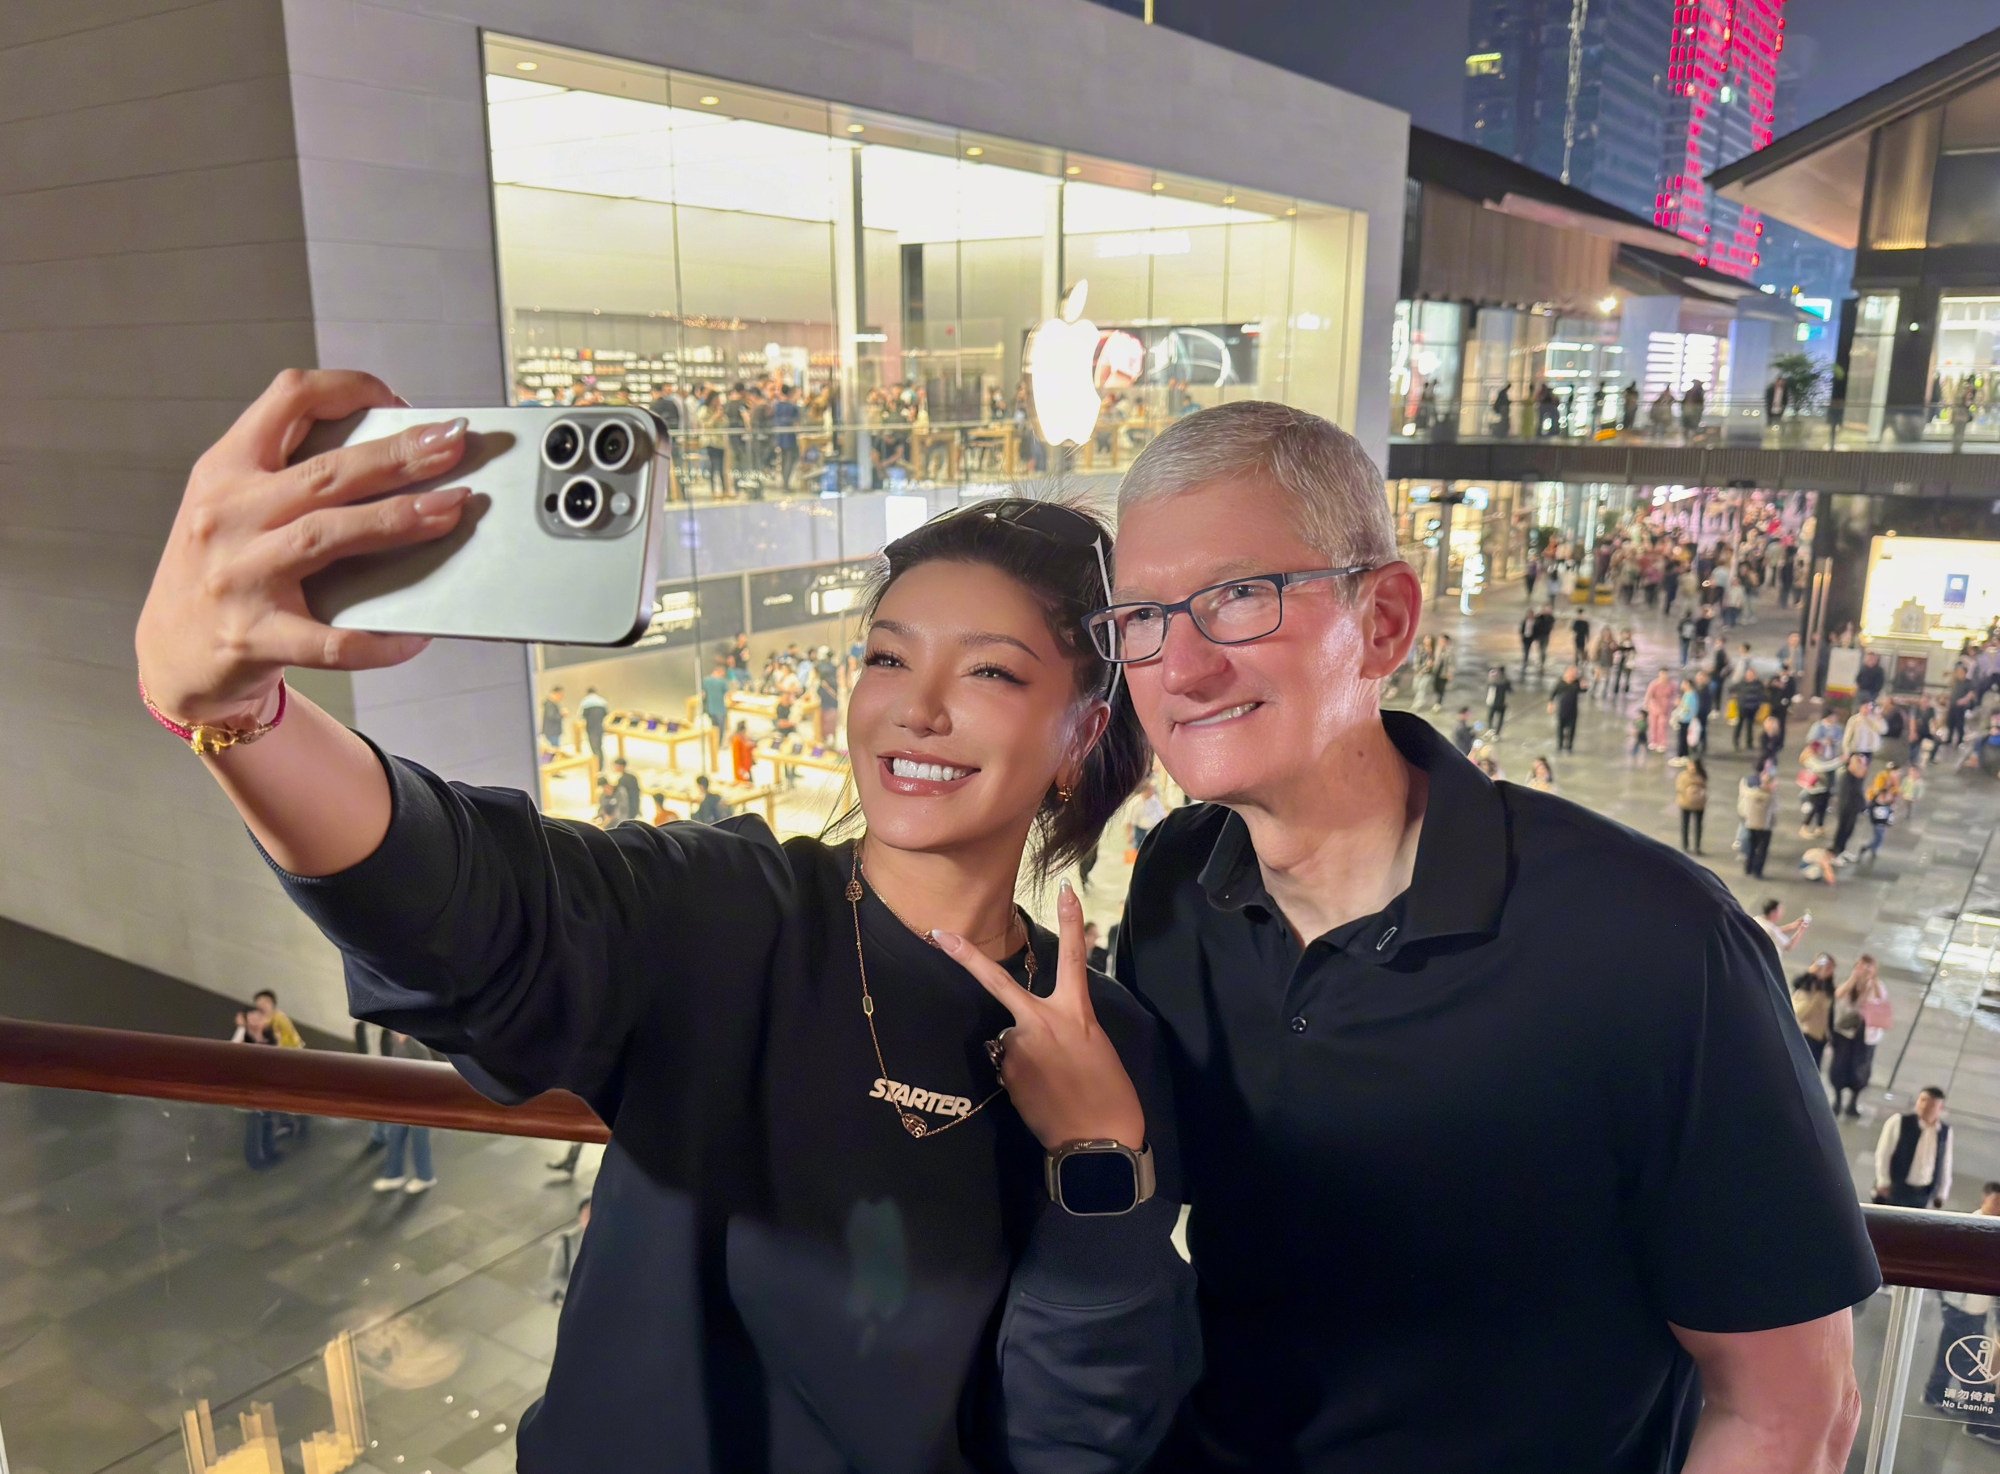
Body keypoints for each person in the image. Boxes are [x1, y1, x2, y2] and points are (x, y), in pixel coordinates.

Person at [139, 379, 1198, 1472]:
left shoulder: (1109, 1044)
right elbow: (482, 909)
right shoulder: (729, 915)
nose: (915, 709)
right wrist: (238, 715)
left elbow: (1073, 1437)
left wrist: (1096, 1158)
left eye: (989, 672)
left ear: (1083, 734)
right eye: (887, 657)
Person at [1084, 401, 1876, 1472]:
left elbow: (1789, 1409)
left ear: (1384, 620)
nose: (1179, 667)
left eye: (1239, 596)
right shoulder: (1178, 887)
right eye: (1141, 616)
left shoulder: (1651, 946)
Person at [1922, 1182, 2000, 1425]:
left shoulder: (1993, 1228)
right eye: (1996, 1201)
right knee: (1970, 1359)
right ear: (1985, 1199)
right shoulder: (1973, 1228)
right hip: (1962, 1307)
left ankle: (1934, 1392)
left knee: (1949, 1348)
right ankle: (1979, 1416)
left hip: (1972, 1307)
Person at [374, 1029, 440, 1193]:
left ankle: (425, 1177)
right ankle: (394, 1175)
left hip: (420, 1100)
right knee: (395, 1135)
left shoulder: (417, 1044)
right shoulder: (393, 1039)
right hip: (403, 1097)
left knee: (419, 1140)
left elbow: (430, 1072)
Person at [1829, 955, 1890, 1117]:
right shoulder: (1850, 983)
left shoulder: (1877, 985)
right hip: (1846, 1032)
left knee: (1861, 1067)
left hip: (1867, 1035)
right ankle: (1837, 1100)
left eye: (1868, 967)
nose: (1864, 970)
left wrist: (1873, 980)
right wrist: (1854, 978)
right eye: (1861, 966)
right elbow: (1838, 995)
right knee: (1839, 1065)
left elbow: (1881, 999)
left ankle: (1853, 1102)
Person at [1874, 1087, 1953, 1209]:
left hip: (1923, 1192)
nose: (1924, 1106)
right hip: (1897, 1187)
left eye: (1931, 1105)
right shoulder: (1899, 1122)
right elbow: (1883, 1153)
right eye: (1922, 1100)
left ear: (1940, 1108)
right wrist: (1883, 1181)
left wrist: (1942, 1192)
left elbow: (1946, 1162)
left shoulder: (1944, 1131)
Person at [229, 1001, 284, 1170]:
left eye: (258, 1016)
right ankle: (255, 1160)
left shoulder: (270, 1035)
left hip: (268, 1086)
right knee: (255, 1125)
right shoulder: (242, 1035)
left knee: (268, 1121)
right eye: (251, 1016)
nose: (255, 1019)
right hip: (251, 1088)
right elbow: (232, 1053)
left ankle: (270, 1151)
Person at [1790, 953, 1838, 1071]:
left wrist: (1831, 1036)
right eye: (1823, 964)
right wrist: (1812, 971)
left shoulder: (1828, 989)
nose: (1825, 969)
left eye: (1829, 967)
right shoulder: (1805, 983)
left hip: (1819, 1036)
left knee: (1814, 1068)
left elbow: (1830, 1014)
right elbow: (1797, 984)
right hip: (1804, 1032)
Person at [546, 1196, 591, 1305]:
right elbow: (555, 1276)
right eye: (587, 1216)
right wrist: (576, 1292)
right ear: (581, 1218)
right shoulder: (567, 1242)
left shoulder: (611, 1242)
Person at [1830, 752, 1871, 861]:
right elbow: (1853, 794)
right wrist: (1862, 806)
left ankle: (1841, 850)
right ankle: (1836, 853)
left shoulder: (1856, 776)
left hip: (1852, 807)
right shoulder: (1847, 776)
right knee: (1843, 830)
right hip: (1847, 808)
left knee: (1848, 830)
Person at [1739, 775, 1777, 877]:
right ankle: (1758, 871)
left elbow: (1743, 805)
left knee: (1751, 847)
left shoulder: (1750, 793)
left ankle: (1748, 867)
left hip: (1751, 824)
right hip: (1765, 826)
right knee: (1762, 849)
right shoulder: (1770, 797)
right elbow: (1774, 810)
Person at [1548, 664, 1585, 752]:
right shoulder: (1561, 683)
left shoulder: (1577, 683)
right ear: (1566, 673)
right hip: (1562, 710)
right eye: (1572, 672)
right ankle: (1559, 746)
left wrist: (1584, 686)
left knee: (1572, 730)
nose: (1574, 674)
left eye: (1575, 673)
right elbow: (1553, 694)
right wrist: (1550, 705)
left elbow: (1583, 690)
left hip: (1573, 711)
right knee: (1560, 729)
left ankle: (1569, 747)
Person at [1675, 755, 1709, 853]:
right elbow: (1680, 788)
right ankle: (1685, 845)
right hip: (1686, 803)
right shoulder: (1685, 776)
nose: (1691, 767)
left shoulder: (1700, 776)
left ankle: (1697, 846)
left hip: (1698, 804)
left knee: (1698, 825)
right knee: (1685, 824)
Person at [1641, 667, 1676, 753]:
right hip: (1654, 707)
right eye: (1662, 674)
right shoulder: (1654, 684)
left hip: (1665, 708)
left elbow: (1674, 695)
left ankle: (1662, 743)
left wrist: (1674, 704)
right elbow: (1648, 695)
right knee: (1653, 725)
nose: (1663, 676)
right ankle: (1653, 741)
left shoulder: (1671, 685)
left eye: (1665, 674)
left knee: (1662, 725)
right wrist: (1645, 705)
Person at [579, 687, 610, 767]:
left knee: (594, 747)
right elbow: (606, 713)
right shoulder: (602, 701)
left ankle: (597, 766)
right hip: (599, 727)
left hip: (591, 728)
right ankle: (601, 765)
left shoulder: (585, 702)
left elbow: (582, 716)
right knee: (599, 746)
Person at [606, 758, 642, 824]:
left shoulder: (624, 779)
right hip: (633, 805)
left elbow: (622, 796)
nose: (615, 768)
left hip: (627, 806)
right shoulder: (632, 777)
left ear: (621, 766)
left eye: (616, 766)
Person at [701, 658, 730, 734]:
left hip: (710, 709)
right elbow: (728, 695)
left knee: (713, 730)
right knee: (720, 731)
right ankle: (719, 741)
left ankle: (714, 741)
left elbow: (703, 695)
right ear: (721, 672)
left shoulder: (706, 680)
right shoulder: (722, 682)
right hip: (720, 710)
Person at [1484, 663, 1512, 737]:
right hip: (1502, 703)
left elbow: (1487, 689)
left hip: (1492, 703)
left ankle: (1490, 730)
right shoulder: (1506, 681)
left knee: (1490, 717)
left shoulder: (1492, 680)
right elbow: (1510, 691)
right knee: (1500, 719)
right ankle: (1497, 734)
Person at [539, 685, 567, 752]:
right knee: (555, 751)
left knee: (555, 750)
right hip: (552, 731)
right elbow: (551, 716)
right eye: (561, 695)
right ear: (556, 694)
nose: (562, 697)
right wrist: (561, 714)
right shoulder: (550, 704)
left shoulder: (551, 703)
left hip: (552, 731)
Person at [1531, 603, 1556, 672]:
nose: (1548, 611)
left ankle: (1542, 663)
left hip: (1546, 636)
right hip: (1539, 636)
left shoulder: (1551, 618)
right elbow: (1535, 626)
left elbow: (1551, 625)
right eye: (1546, 609)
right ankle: (1541, 661)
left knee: (1543, 650)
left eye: (1549, 609)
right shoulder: (1539, 617)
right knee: (1540, 650)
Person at [729, 718, 756, 785]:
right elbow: (737, 757)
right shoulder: (737, 740)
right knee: (744, 783)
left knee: (749, 782)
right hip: (741, 768)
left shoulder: (742, 738)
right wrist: (741, 770)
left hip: (746, 766)